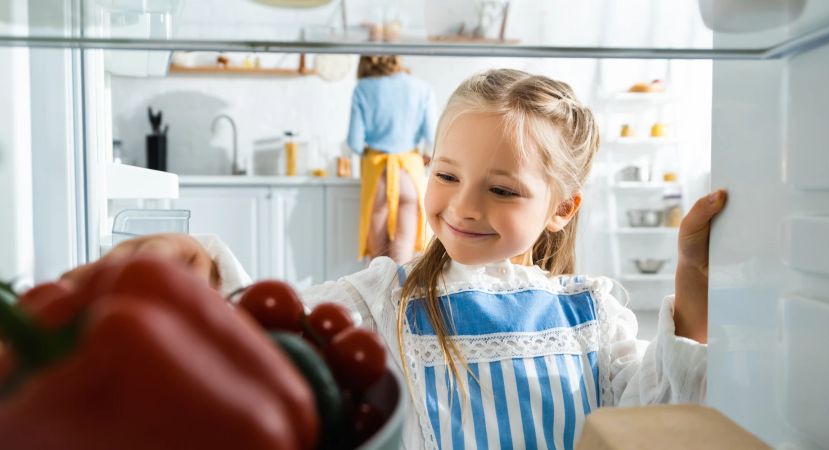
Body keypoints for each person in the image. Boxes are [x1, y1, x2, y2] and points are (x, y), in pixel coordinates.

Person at [77, 69, 727, 449]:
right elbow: (281, 330)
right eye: (445, 174)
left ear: (562, 208)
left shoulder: (592, 313)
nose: (464, 207)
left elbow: (660, 409)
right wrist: (204, 268)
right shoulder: (384, 297)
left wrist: (693, 270)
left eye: (502, 189)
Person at [347, 55, 438, 265]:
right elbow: (433, 139)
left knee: (378, 264)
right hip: (409, 174)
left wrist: (370, 151)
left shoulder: (363, 88)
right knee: (402, 260)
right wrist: (424, 156)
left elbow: (354, 142)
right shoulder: (421, 88)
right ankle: (400, 298)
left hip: (377, 173)